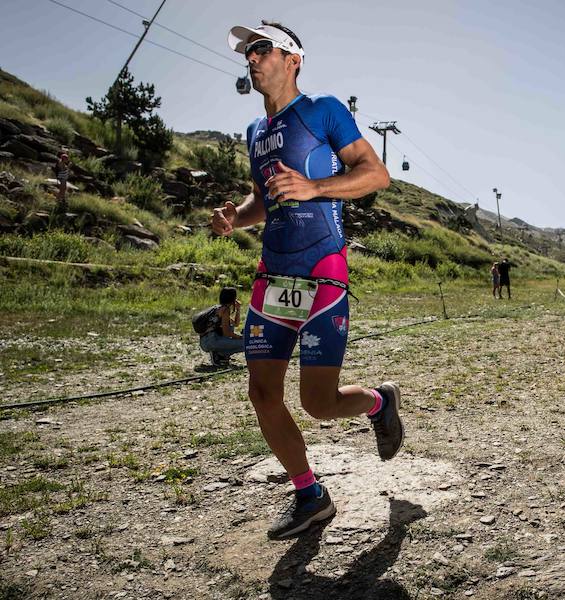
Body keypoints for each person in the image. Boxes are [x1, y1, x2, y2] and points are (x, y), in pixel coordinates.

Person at [211, 21, 400, 540]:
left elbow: (376, 174)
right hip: (273, 274)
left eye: (261, 48)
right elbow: (263, 200)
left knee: (319, 403)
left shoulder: (323, 110)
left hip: (322, 271)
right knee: (262, 392)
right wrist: (235, 219)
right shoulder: (255, 132)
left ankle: (380, 401)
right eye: (247, 52)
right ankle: (310, 495)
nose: (251, 58)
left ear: (292, 58)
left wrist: (316, 186)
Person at [196, 287, 245, 366]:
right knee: (246, 344)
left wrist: (238, 309)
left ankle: (220, 355)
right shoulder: (225, 310)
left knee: (231, 327)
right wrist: (241, 337)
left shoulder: (219, 308)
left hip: (205, 341)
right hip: (211, 341)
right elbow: (227, 333)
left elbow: (235, 324)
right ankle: (220, 353)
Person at [54, 152, 70, 216]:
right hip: (62, 178)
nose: (67, 160)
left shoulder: (63, 163)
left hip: (64, 178)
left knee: (64, 189)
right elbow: (63, 169)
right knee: (62, 189)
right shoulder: (60, 163)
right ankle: (58, 200)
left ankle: (62, 199)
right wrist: (68, 166)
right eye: (67, 159)